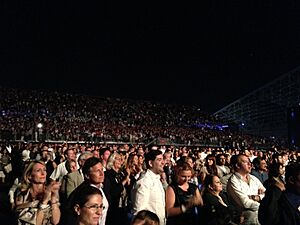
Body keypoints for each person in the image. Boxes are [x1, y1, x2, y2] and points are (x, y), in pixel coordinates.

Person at [14, 160, 61, 225]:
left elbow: (55, 221)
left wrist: (53, 197)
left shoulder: (50, 190)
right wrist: (44, 201)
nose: (43, 173)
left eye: (44, 170)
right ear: (29, 176)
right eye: (38, 170)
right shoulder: (22, 194)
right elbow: (36, 223)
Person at [65, 157, 109, 225]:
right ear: (87, 175)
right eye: (97, 171)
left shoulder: (104, 187)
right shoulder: (80, 192)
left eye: (102, 170)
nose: (101, 174)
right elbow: (70, 215)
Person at [227, 154, 266, 225]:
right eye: (245, 162)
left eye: (249, 162)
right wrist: (264, 205)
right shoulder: (233, 181)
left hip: (260, 218)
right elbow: (245, 203)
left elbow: (266, 194)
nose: (250, 164)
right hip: (246, 220)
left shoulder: (253, 178)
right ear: (237, 165)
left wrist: (258, 197)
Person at [131, 150, 166, 225]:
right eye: (159, 160)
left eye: (162, 159)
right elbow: (139, 211)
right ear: (150, 163)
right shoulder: (145, 182)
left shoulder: (157, 179)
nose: (163, 162)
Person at [104, 152, 131, 225]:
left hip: (123, 208)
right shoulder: (108, 175)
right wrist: (125, 181)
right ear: (112, 161)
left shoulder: (121, 174)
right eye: (118, 159)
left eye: (121, 159)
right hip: (113, 209)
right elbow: (113, 192)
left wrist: (128, 177)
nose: (120, 161)